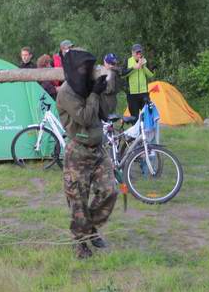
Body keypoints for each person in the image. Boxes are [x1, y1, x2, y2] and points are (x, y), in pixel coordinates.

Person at [56, 48, 118, 259]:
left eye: (89, 67)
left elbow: (106, 112)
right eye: (83, 68)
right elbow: (85, 118)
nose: (87, 71)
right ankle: (80, 243)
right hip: (78, 153)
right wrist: (93, 94)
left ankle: (90, 228)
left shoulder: (89, 84)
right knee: (78, 201)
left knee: (110, 191)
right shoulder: (66, 92)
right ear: (74, 69)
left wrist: (107, 88)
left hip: (98, 149)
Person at [123, 43, 154, 118]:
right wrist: (134, 68)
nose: (139, 55)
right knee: (134, 117)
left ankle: (146, 130)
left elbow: (151, 75)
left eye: (140, 52)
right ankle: (136, 129)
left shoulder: (145, 61)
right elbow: (122, 74)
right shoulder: (127, 61)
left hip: (144, 93)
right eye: (137, 53)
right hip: (132, 94)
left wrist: (143, 67)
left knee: (147, 116)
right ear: (132, 53)